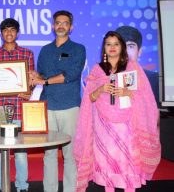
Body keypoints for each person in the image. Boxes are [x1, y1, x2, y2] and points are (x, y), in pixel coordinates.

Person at [73, 31, 161, 192]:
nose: (112, 48)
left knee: (125, 162)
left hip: (126, 126)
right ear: (104, 48)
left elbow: (145, 95)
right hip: (103, 127)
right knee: (106, 162)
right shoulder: (97, 69)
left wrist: (127, 93)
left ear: (122, 47)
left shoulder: (132, 67)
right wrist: (100, 89)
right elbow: (89, 99)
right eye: (108, 44)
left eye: (116, 44)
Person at [30, 10, 86, 192]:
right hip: (48, 107)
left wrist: (43, 80)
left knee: (70, 154)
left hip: (69, 107)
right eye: (58, 23)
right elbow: (42, 75)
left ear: (71, 27)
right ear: (53, 26)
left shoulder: (78, 49)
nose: (61, 25)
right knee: (49, 153)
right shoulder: (45, 50)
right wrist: (33, 76)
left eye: (65, 23)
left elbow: (71, 74)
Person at [0, 18, 34, 192]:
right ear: (1, 33)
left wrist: (29, 88)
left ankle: (22, 185)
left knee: (21, 151)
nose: (9, 33)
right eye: (5, 30)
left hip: (20, 108)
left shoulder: (27, 54)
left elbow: (30, 80)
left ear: (17, 33)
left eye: (12, 30)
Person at [115, 25, 160, 107]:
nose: (125, 52)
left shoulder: (154, 80)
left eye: (130, 46)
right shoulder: (104, 79)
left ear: (139, 51)